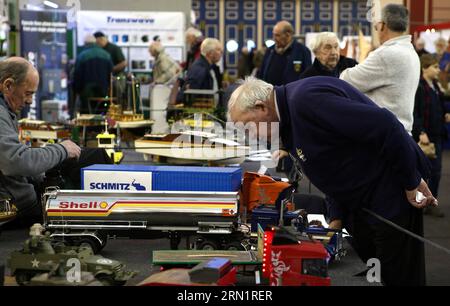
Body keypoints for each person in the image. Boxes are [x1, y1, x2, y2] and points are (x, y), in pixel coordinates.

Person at [228, 76, 436, 286]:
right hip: (362, 198)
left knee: (397, 275)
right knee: (372, 271)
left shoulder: (306, 101)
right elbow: (331, 163)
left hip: (390, 191)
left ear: (261, 107)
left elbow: (386, 124)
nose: (251, 135)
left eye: (248, 126)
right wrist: (336, 216)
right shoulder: (287, 116)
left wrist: (410, 182)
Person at [0, 57, 81, 225]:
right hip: (17, 208)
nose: (30, 101)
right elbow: (15, 161)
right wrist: (62, 150)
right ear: (8, 85)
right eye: (28, 93)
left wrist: (40, 169)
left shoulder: (6, 111)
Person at [340, 4, 420, 135]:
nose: (377, 30)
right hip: (399, 132)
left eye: (376, 26)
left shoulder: (386, 54)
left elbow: (346, 80)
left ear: (383, 25)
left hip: (384, 134)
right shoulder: (410, 51)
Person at [413, 54, 450, 218]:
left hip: (437, 134)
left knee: (436, 171)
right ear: (425, 68)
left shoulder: (435, 85)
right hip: (426, 136)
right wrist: (421, 132)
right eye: (435, 67)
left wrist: (445, 114)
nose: (438, 69)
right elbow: (416, 112)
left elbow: (439, 105)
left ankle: (430, 201)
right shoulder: (420, 87)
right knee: (426, 171)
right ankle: (424, 201)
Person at [257, 20, 312, 86]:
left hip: (292, 94)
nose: (274, 38)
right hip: (271, 93)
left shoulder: (302, 51)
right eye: (274, 35)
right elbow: (261, 73)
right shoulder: (270, 50)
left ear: (288, 35)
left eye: (277, 35)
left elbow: (308, 77)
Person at [73, 35, 113, 114]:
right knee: (102, 113)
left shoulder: (82, 56)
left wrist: (77, 90)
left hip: (87, 91)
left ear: (85, 44)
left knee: (87, 114)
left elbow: (77, 75)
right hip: (103, 90)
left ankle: (88, 126)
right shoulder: (106, 55)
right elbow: (111, 72)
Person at [182, 38, 223, 106]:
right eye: (218, 50)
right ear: (210, 53)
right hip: (202, 112)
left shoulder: (209, 67)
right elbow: (192, 96)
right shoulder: (199, 69)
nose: (221, 52)